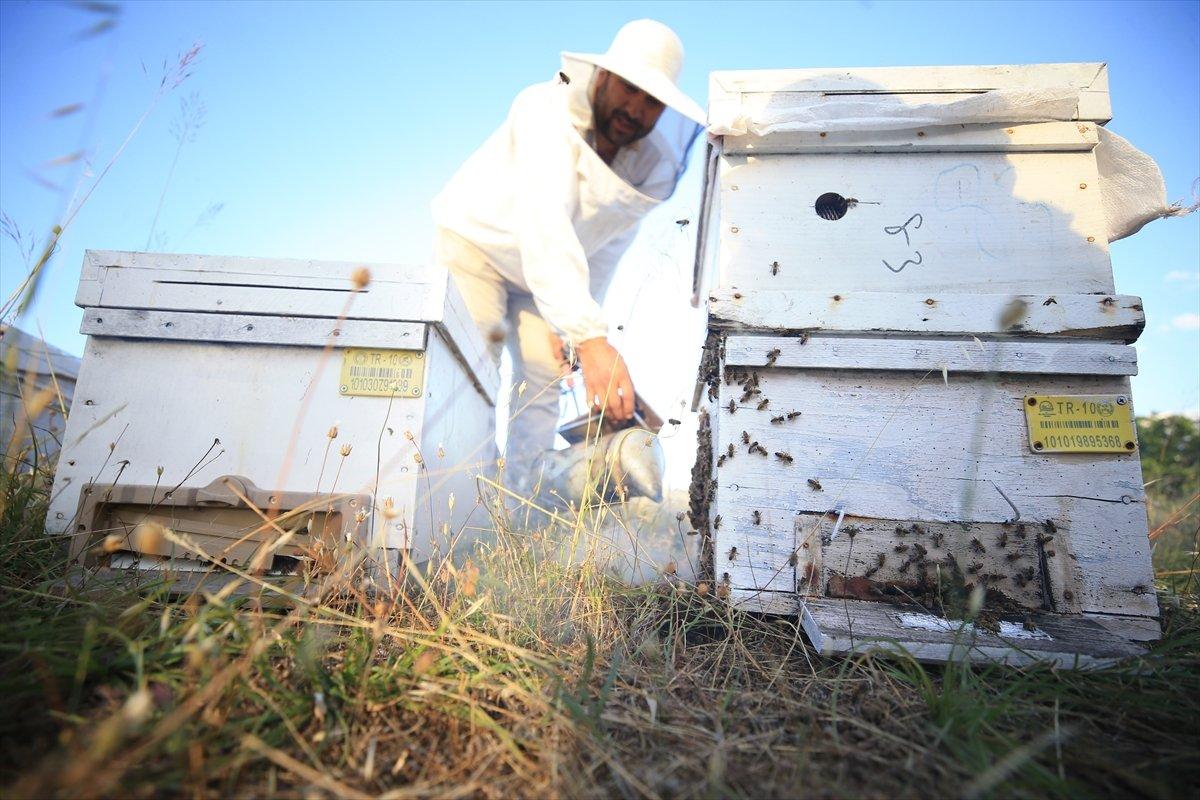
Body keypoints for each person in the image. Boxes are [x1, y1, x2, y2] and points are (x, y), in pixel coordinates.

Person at [431, 19, 704, 493]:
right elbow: (545, 223)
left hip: (541, 279)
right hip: (479, 247)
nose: (635, 110)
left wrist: (574, 336)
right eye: (629, 89)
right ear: (603, 76)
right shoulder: (542, 110)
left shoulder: (646, 162)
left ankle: (517, 509)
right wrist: (590, 337)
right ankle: (456, 504)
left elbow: (603, 248)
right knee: (473, 368)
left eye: (652, 102)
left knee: (543, 382)